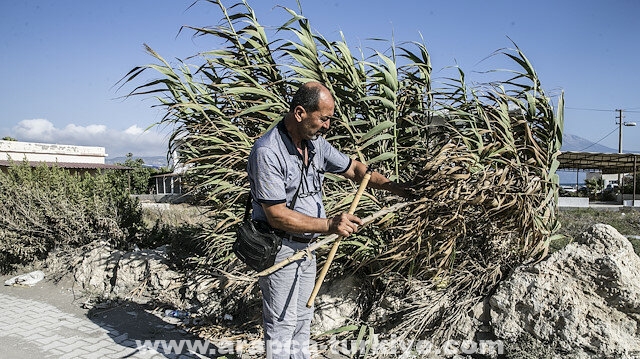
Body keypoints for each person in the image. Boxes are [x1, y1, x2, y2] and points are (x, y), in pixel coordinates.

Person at [247, 81, 408, 359]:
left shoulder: (316, 144)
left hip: (308, 249)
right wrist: (330, 225)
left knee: (302, 319)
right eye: (323, 118)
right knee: (282, 324)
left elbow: (357, 170)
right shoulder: (268, 151)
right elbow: (276, 215)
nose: (327, 126)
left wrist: (397, 188)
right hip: (280, 249)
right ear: (300, 113)